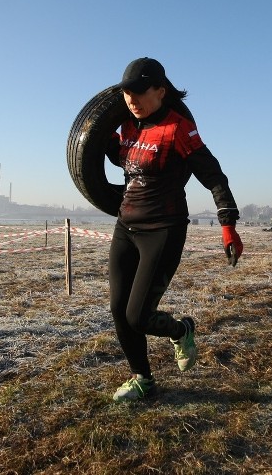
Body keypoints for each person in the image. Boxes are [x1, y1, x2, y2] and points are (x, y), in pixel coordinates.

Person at [103, 57, 244, 402]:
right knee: (119, 311)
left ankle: (182, 330)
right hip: (126, 226)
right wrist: (101, 141)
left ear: (160, 91)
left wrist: (228, 226)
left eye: (139, 93)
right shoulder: (127, 125)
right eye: (126, 95)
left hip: (163, 229)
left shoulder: (177, 128)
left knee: (138, 315)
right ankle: (142, 379)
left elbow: (214, 177)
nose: (132, 101)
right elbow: (123, 159)